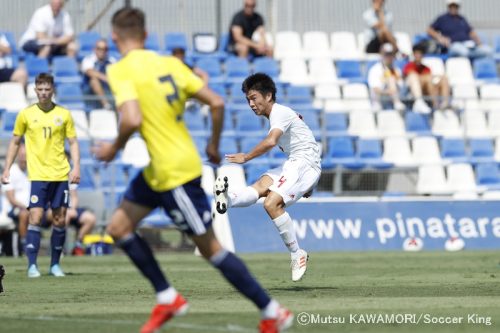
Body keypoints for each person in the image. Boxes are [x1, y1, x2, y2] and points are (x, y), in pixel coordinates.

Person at [92, 8, 292, 333]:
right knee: (118, 226)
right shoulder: (170, 64)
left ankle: (272, 311)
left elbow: (130, 119)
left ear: (115, 37)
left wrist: (112, 148)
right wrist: (213, 145)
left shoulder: (121, 70)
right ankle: (167, 297)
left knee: (210, 249)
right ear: (145, 35)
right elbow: (217, 102)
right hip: (158, 169)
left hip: (175, 175)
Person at [214, 73, 319, 282]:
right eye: (248, 100)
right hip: (296, 164)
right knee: (261, 186)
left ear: (268, 95)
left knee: (271, 203)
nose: (251, 104)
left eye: (254, 98)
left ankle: (297, 254)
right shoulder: (278, 115)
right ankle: (229, 199)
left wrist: (247, 156)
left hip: (303, 164)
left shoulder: (279, 113)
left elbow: (271, 142)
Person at [1, 72, 80, 278]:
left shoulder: (64, 114)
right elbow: (15, 141)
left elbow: (73, 142)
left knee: (60, 219)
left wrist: (77, 167)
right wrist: (7, 167)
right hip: (37, 175)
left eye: (47, 89)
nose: (44, 93)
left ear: (52, 90)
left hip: (60, 174)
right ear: (35, 90)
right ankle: (32, 266)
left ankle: (55, 265)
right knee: (34, 217)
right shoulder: (26, 114)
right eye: (40, 89)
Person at [427, 0, 492, 59]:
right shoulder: (442, 18)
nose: (453, 8)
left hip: (468, 45)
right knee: (464, 52)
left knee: (488, 51)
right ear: (448, 6)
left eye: (455, 6)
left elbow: (470, 31)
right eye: (451, 6)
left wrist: (479, 42)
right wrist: (440, 38)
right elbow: (429, 30)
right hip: (454, 45)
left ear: (458, 7)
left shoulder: (462, 18)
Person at [2, 143, 31, 255]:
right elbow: (11, 198)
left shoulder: (33, 171)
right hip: (14, 210)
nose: (24, 156)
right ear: (18, 154)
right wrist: (26, 207)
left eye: (26, 154)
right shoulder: (11, 171)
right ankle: (24, 246)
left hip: (32, 208)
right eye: (22, 154)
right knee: (24, 214)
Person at [403, 44, 451, 112]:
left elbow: (430, 80)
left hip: (428, 89)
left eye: (420, 54)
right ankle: (435, 105)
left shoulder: (426, 68)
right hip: (415, 90)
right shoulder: (409, 66)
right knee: (428, 78)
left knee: (444, 78)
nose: (418, 56)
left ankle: (445, 103)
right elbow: (410, 78)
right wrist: (427, 78)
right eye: (417, 53)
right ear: (413, 54)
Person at [367, 43, 406, 111]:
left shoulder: (397, 70)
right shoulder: (375, 69)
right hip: (379, 100)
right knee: (391, 78)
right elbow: (375, 89)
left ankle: (397, 103)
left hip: (394, 97)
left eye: (391, 54)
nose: (389, 57)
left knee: (391, 78)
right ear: (381, 55)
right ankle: (397, 103)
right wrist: (388, 92)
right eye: (386, 55)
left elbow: (401, 87)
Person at [81, 39, 116, 110]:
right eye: (99, 48)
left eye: (105, 49)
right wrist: (106, 78)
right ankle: (106, 105)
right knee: (94, 81)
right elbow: (89, 72)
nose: (102, 51)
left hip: (107, 89)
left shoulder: (111, 60)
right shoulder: (88, 59)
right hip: (90, 92)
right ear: (94, 49)